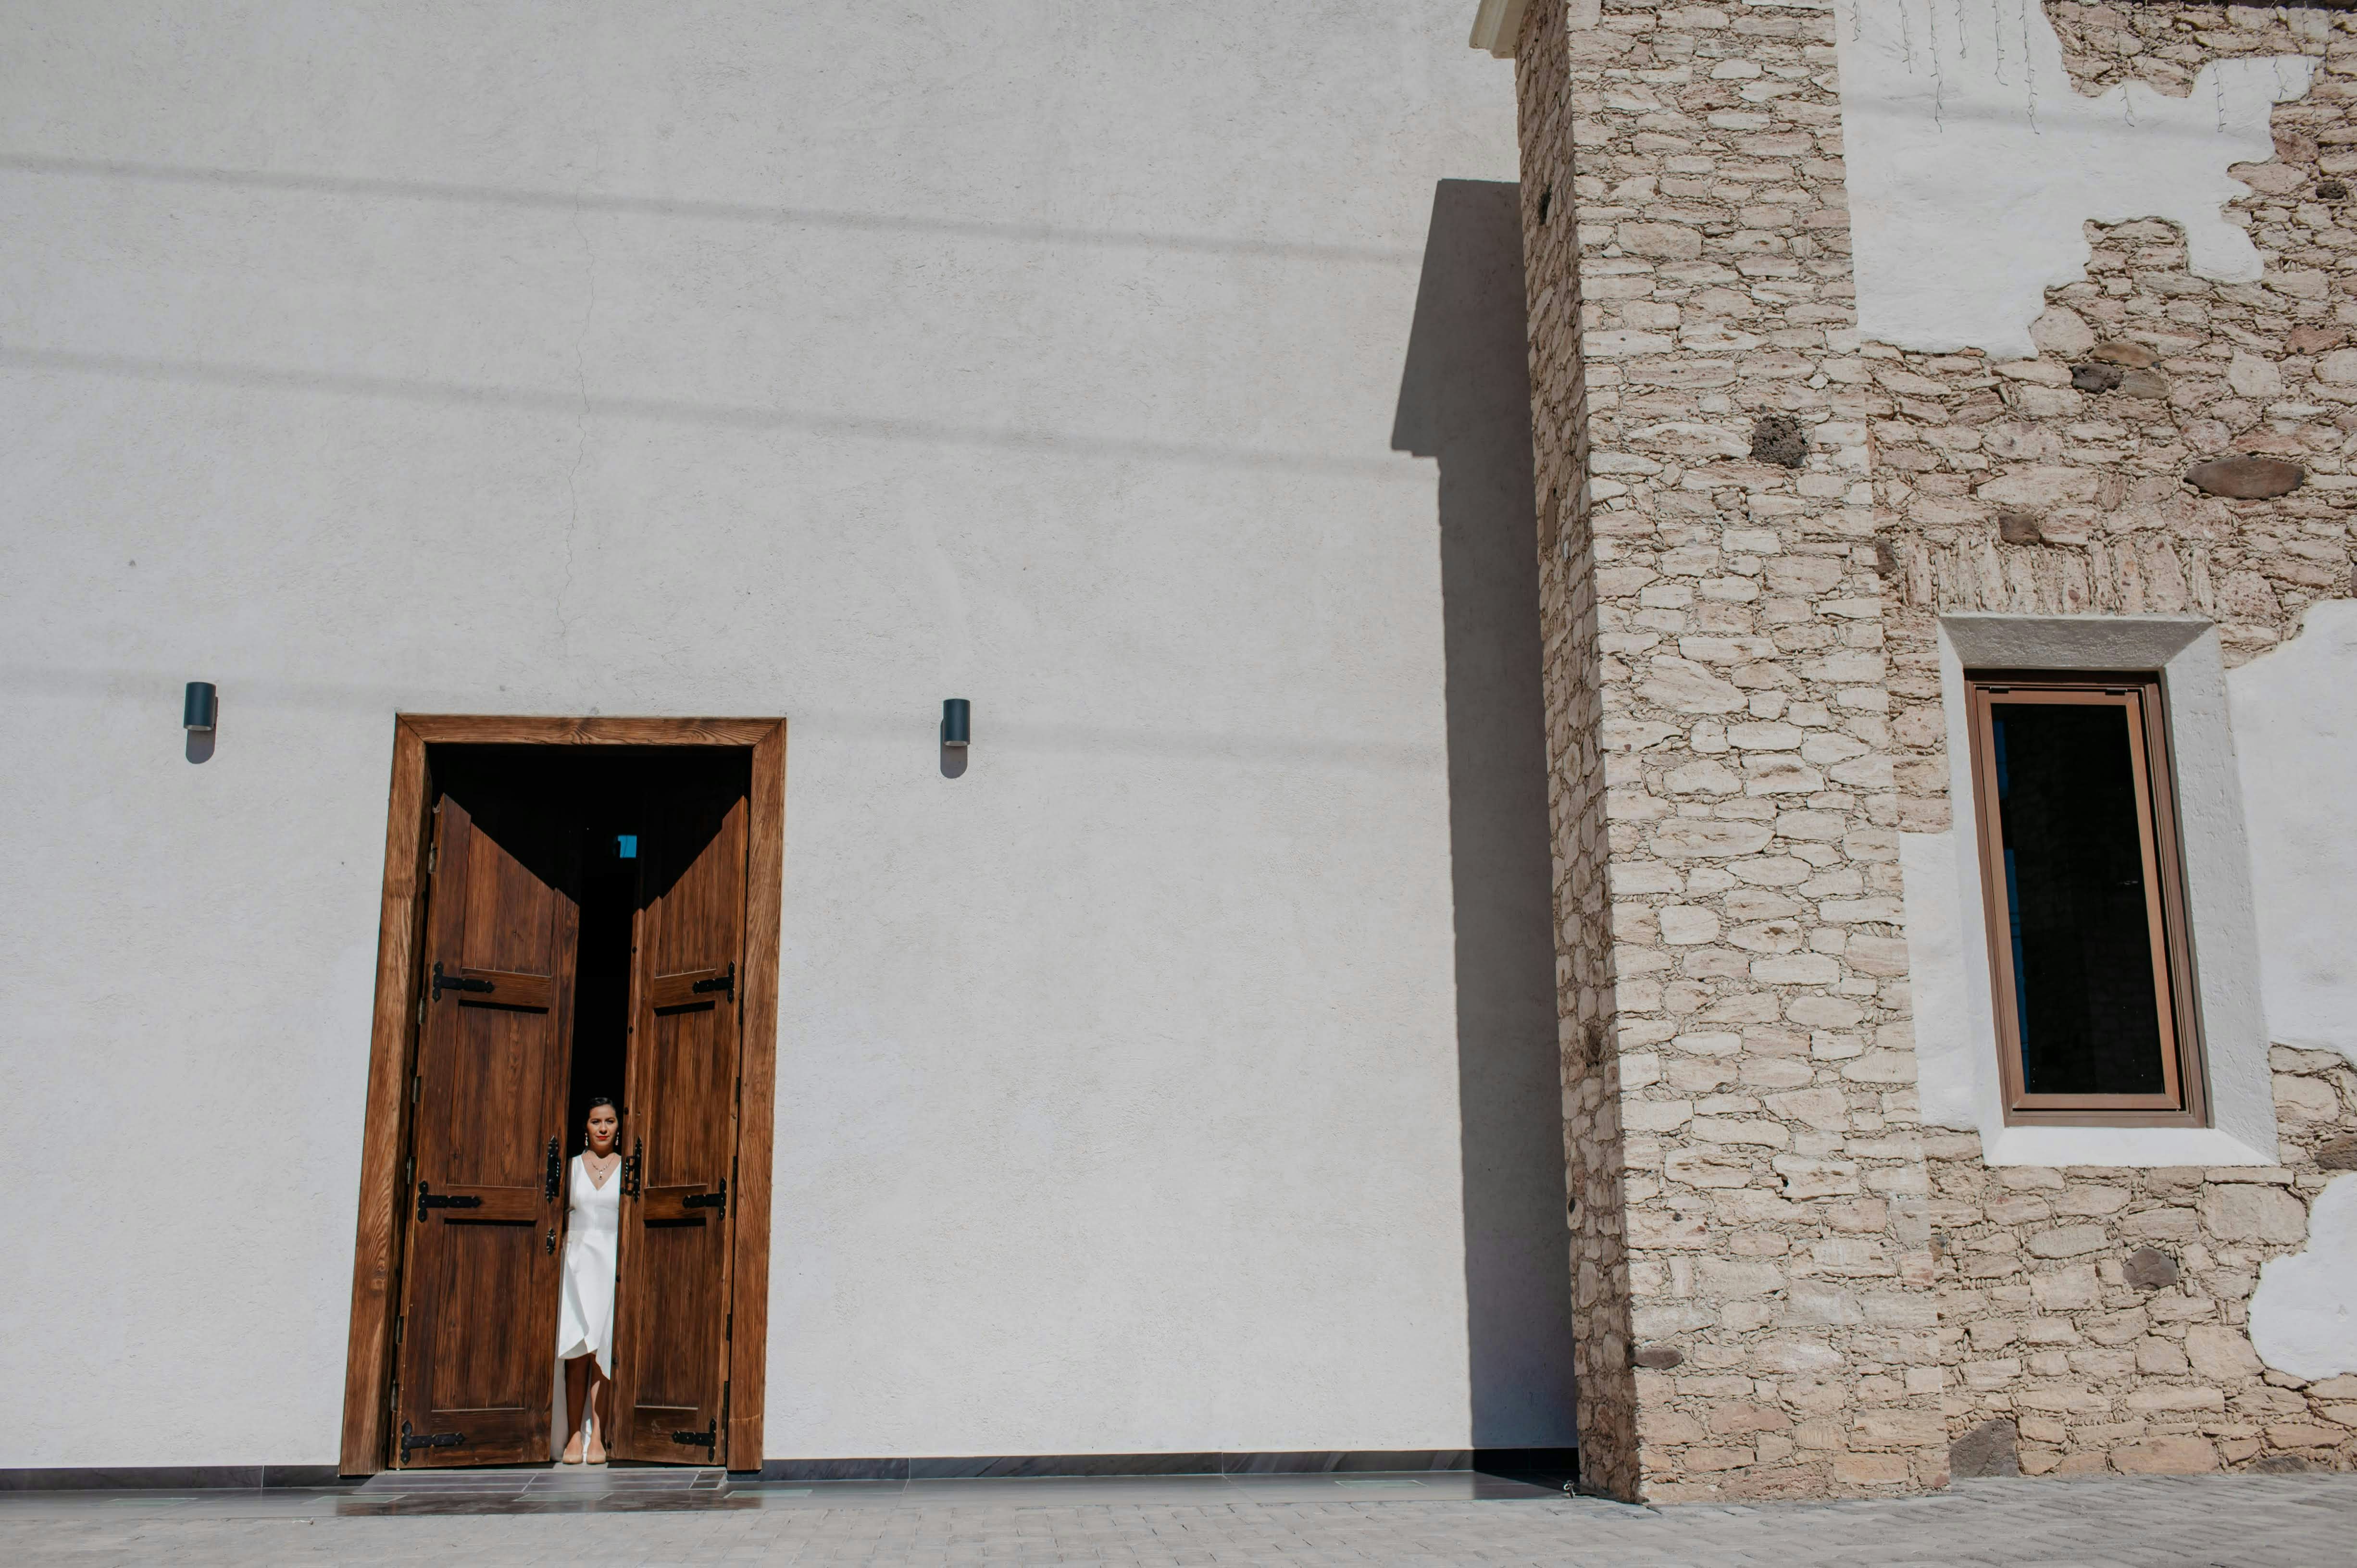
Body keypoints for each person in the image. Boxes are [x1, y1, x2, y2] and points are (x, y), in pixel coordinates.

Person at [557, 1097, 621, 1464]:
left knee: (603, 1351)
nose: (602, 1128)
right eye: (596, 1120)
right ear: (585, 1125)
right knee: (576, 1349)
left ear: (618, 1126)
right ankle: (571, 1435)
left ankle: (598, 1435)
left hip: (610, 1262)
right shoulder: (570, 1168)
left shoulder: (628, 1168)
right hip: (575, 1263)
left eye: (609, 1121)